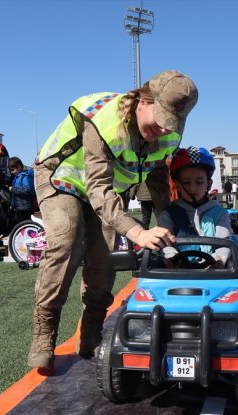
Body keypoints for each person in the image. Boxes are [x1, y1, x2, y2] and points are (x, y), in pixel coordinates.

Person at [28, 70, 198, 371]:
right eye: (158, 118)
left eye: (169, 122)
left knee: (104, 258)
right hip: (61, 178)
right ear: (143, 100)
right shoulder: (105, 121)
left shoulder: (168, 133)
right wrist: (137, 232)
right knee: (67, 241)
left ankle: (91, 334)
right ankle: (44, 335)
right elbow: (98, 190)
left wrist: (173, 235)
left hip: (105, 192)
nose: (162, 129)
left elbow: (158, 182)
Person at [157, 147, 231, 268]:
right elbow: (165, 244)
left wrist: (219, 259)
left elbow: (225, 243)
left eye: (199, 182)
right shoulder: (169, 214)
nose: (192, 189)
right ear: (177, 185)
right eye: (186, 182)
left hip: (213, 274)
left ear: (209, 183)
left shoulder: (220, 213)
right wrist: (172, 257)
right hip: (177, 275)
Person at [8, 157, 36, 227]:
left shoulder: (25, 177)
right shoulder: (18, 177)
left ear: (19, 167)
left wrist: (13, 189)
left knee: (25, 227)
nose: (11, 172)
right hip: (19, 207)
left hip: (25, 208)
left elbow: (28, 190)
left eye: (13, 170)